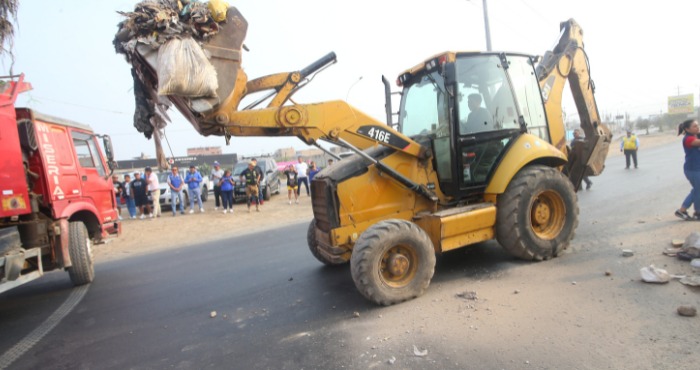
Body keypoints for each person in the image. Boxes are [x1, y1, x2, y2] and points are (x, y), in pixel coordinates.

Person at [675, 119, 700, 220]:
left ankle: (682, 210)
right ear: (687, 129)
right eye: (695, 126)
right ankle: (697, 213)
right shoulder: (688, 139)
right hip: (693, 169)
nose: (697, 127)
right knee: (698, 191)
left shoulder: (694, 136)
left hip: (696, 168)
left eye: (698, 125)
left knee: (697, 190)